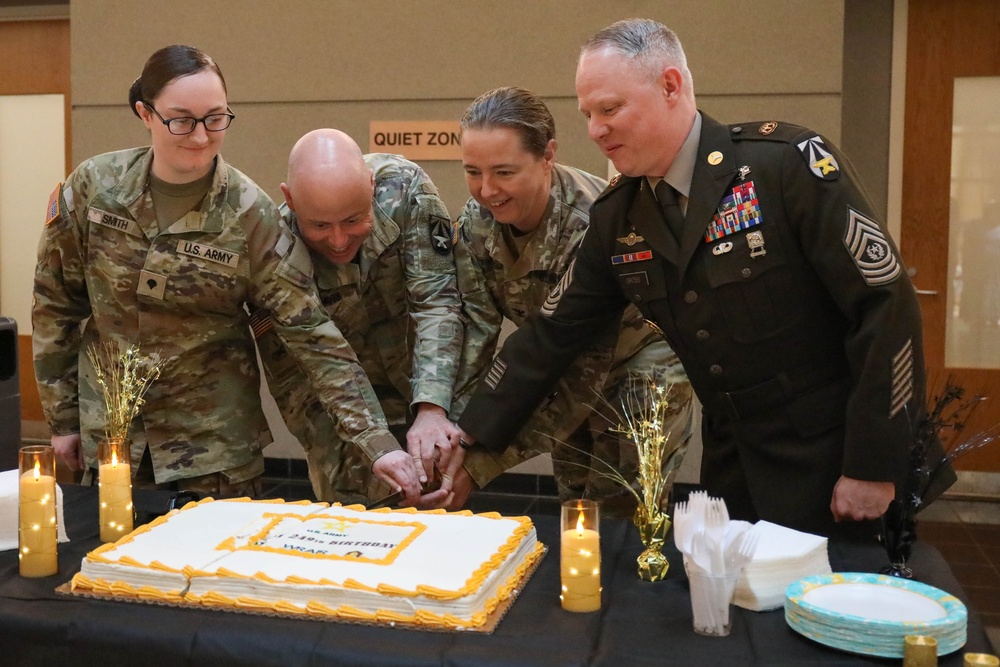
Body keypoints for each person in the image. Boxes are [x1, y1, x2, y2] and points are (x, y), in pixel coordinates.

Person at [456, 19, 952, 537]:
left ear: (670, 86)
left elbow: (886, 311)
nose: (594, 130)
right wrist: (467, 436)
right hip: (733, 466)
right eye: (587, 114)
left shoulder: (785, 168)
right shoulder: (619, 215)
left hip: (837, 462)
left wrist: (874, 463)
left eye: (609, 109)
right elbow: (552, 334)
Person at [32, 46, 421, 500]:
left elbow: (312, 334)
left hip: (214, 452)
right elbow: (54, 304)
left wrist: (376, 444)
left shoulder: (251, 214)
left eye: (215, 118)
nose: (200, 136)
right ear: (145, 114)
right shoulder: (94, 188)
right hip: (114, 439)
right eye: (182, 119)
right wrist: (62, 418)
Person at [450, 87, 693, 517]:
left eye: (504, 172)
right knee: (577, 510)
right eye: (473, 172)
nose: (487, 191)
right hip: (551, 365)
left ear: (547, 155)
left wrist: (479, 464)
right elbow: (476, 332)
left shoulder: (594, 222)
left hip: (638, 366)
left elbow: (583, 366)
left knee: (621, 513)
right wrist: (454, 433)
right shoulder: (475, 223)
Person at [253, 129, 465, 505]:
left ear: (370, 186)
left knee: (437, 495)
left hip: (415, 371)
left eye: (353, 221)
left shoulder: (406, 191)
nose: (337, 240)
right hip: (330, 397)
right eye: (319, 225)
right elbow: (317, 359)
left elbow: (436, 302)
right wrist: (374, 446)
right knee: (355, 505)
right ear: (290, 199)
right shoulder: (277, 244)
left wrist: (432, 405)